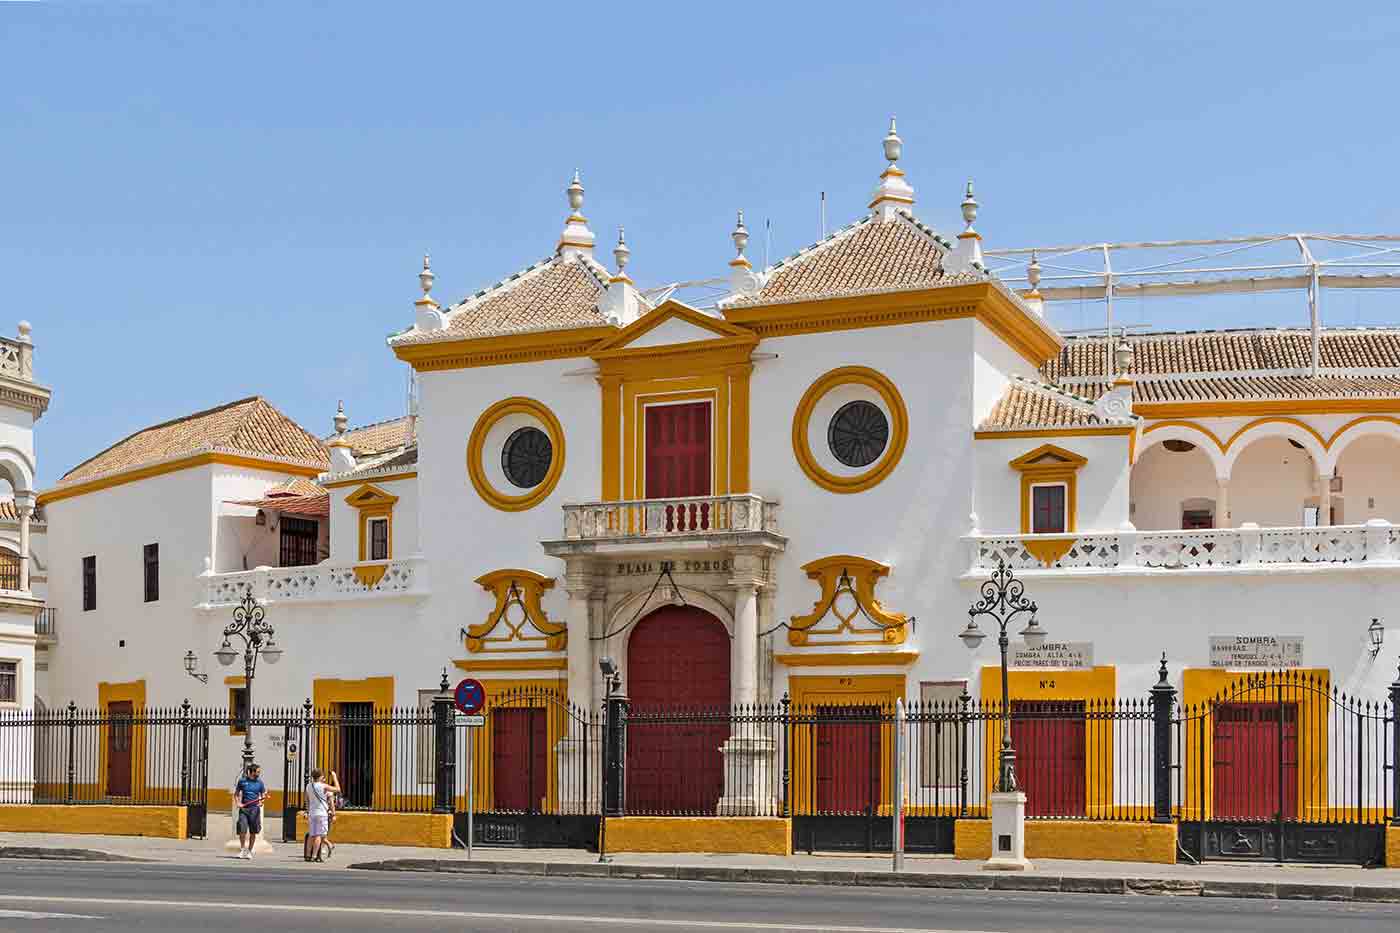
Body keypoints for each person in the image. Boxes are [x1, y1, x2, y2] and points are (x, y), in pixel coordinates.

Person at [304, 768, 341, 862]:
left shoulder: (308, 786)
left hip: (312, 813)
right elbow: (338, 789)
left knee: (311, 835)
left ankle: (308, 855)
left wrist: (307, 811)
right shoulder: (323, 786)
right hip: (321, 814)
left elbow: (307, 800)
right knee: (319, 836)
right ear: (320, 777)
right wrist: (334, 777)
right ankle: (314, 856)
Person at [234, 762, 267, 859]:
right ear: (251, 772)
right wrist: (238, 803)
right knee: (242, 829)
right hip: (244, 809)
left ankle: (249, 851)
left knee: (253, 832)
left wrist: (262, 801)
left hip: (255, 810)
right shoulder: (242, 781)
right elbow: (236, 794)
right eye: (257, 772)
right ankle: (242, 849)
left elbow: (263, 794)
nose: (259, 774)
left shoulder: (260, 783)